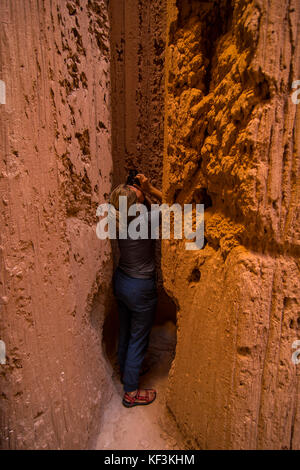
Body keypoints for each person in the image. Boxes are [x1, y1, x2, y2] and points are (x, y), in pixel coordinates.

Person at [109, 174, 162, 408]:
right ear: (137, 204)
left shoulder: (117, 216)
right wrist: (150, 188)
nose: (133, 186)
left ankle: (127, 371)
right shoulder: (146, 220)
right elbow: (176, 203)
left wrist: (140, 195)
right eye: (132, 188)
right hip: (140, 287)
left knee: (126, 330)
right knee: (138, 338)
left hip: (122, 281)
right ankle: (131, 391)